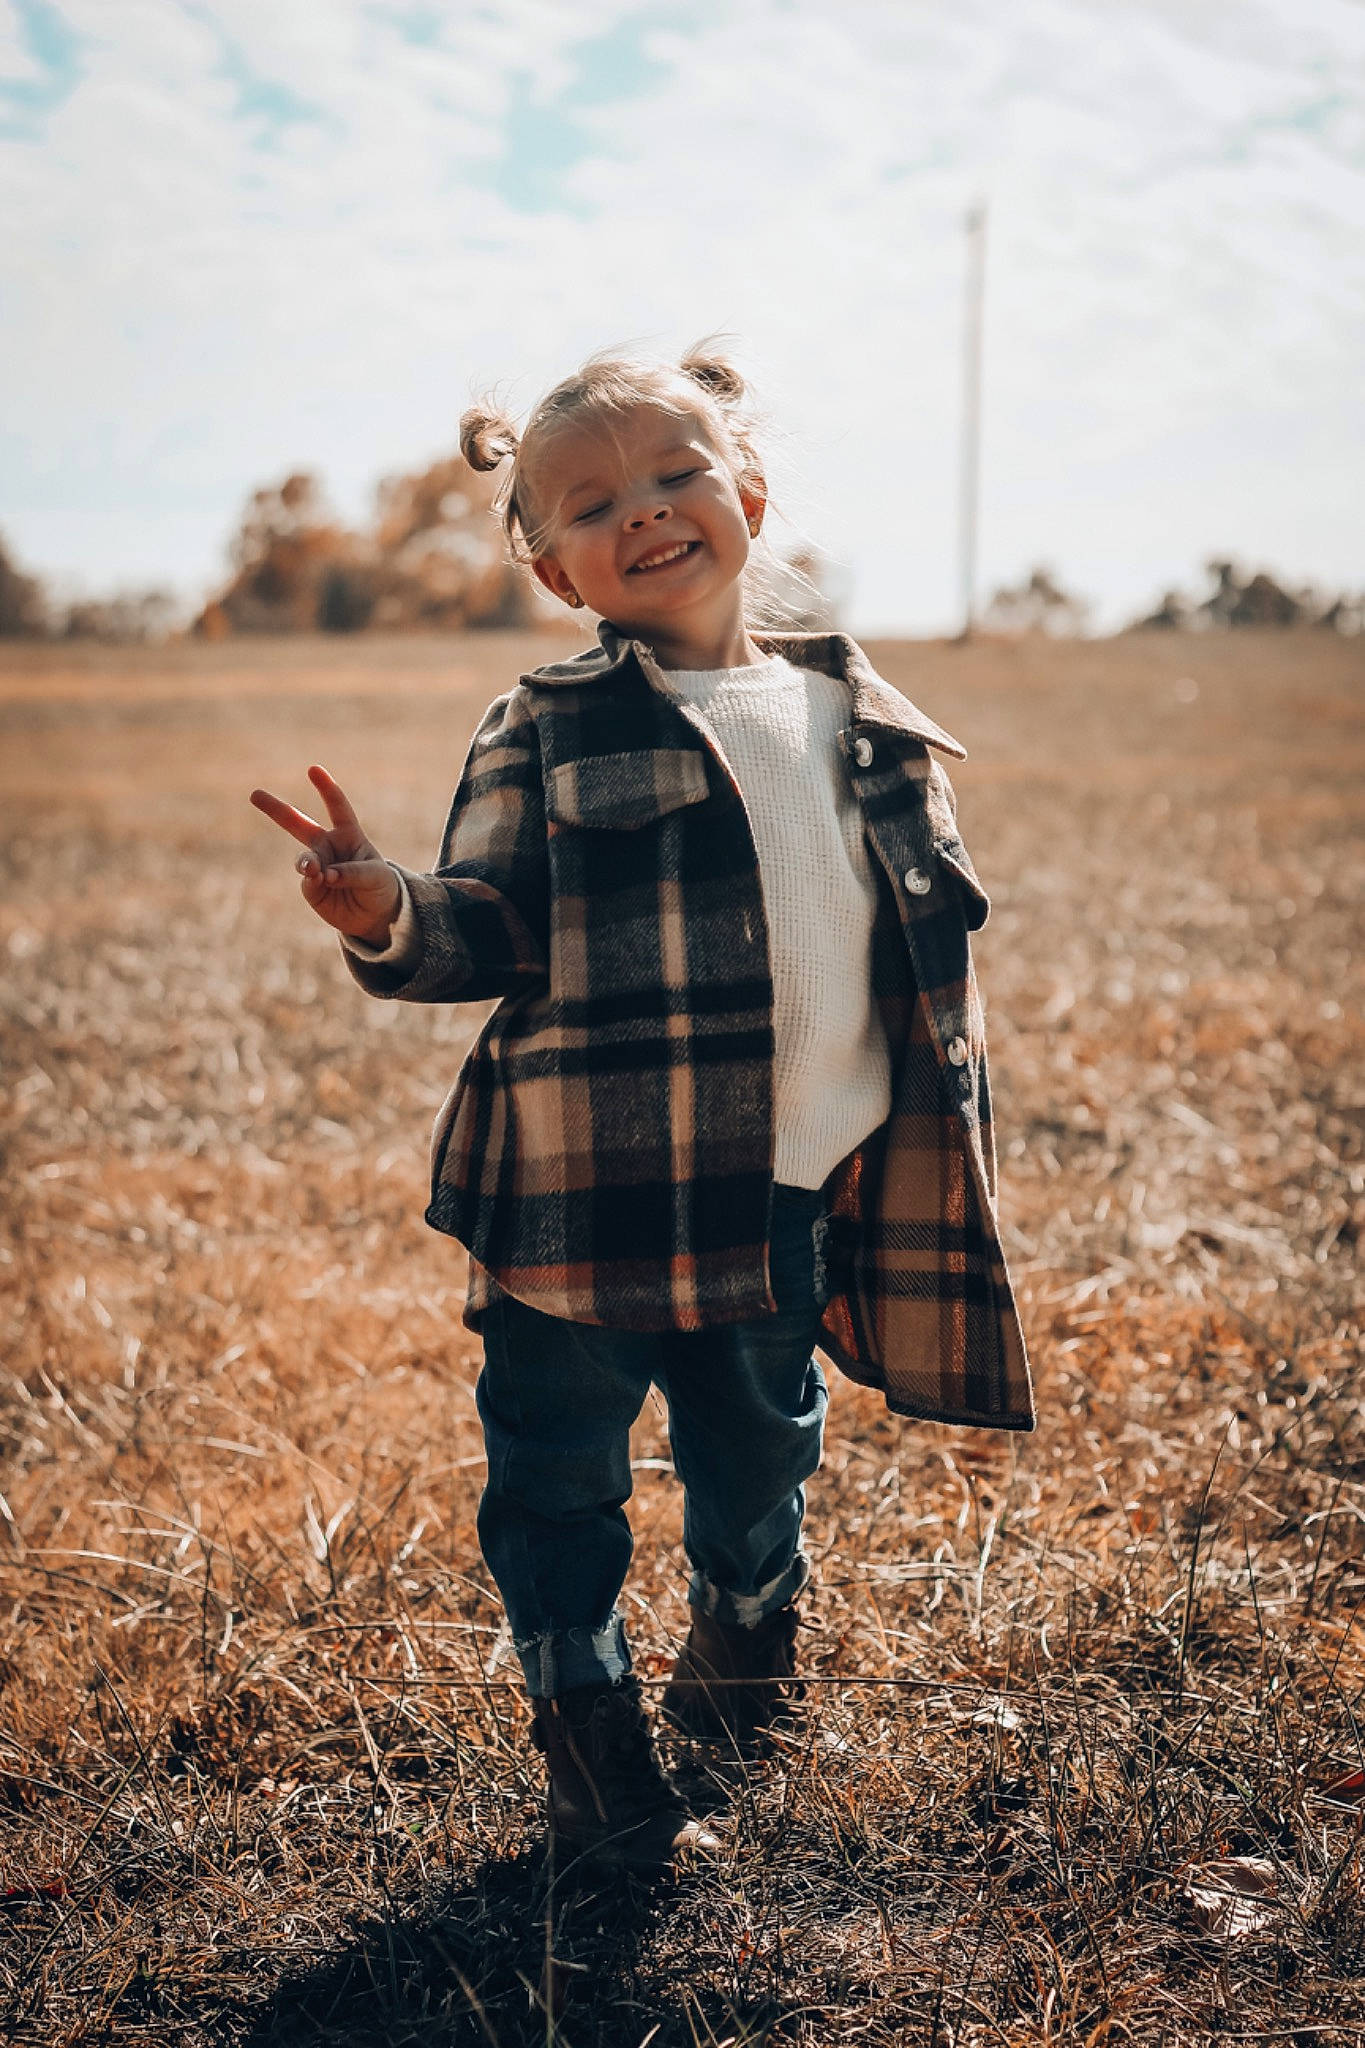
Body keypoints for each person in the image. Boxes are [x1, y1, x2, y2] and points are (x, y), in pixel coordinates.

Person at [250, 344, 1033, 1874]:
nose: (648, 513)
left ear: (745, 493)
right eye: (596, 502)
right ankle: (587, 1725)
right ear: (554, 567)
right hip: (577, 1199)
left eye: (677, 477)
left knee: (759, 1456)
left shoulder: (862, 720)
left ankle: (746, 1635)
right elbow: (484, 924)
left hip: (786, 1192)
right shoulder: (545, 724)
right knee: (558, 1472)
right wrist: (383, 906)